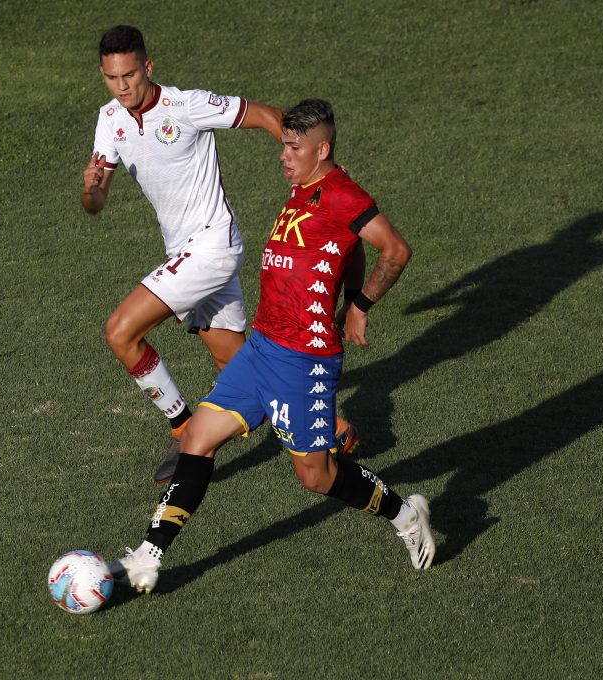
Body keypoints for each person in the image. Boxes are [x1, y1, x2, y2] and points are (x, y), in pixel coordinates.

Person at [111, 99, 435, 593]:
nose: (283, 155)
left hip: (303, 360)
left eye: (293, 147)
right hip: (262, 347)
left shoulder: (343, 194)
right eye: (283, 144)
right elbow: (343, 250)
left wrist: (361, 305)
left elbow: (394, 249)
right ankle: (148, 556)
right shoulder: (302, 188)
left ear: (321, 148)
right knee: (196, 439)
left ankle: (406, 515)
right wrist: (348, 292)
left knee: (318, 477)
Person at [82, 26, 358, 483]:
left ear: (148, 68)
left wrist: (312, 178)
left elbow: (268, 115)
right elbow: (95, 205)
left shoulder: (187, 106)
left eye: (130, 74)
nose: (123, 86)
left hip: (212, 247)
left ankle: (182, 426)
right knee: (234, 365)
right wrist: (90, 187)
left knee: (120, 332)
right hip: (183, 250)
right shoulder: (109, 119)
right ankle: (334, 428)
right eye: (113, 78)